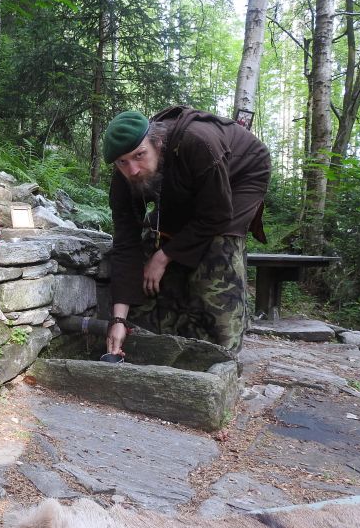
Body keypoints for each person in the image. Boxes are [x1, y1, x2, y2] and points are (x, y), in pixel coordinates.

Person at [103, 105, 271, 357]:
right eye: (122, 162)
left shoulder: (198, 142)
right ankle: (167, 335)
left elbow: (216, 214)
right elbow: (126, 242)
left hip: (241, 174)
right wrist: (118, 320)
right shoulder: (125, 175)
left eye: (140, 155)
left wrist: (163, 257)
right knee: (157, 237)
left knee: (218, 244)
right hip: (186, 181)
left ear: (157, 143)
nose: (133, 170)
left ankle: (221, 348)